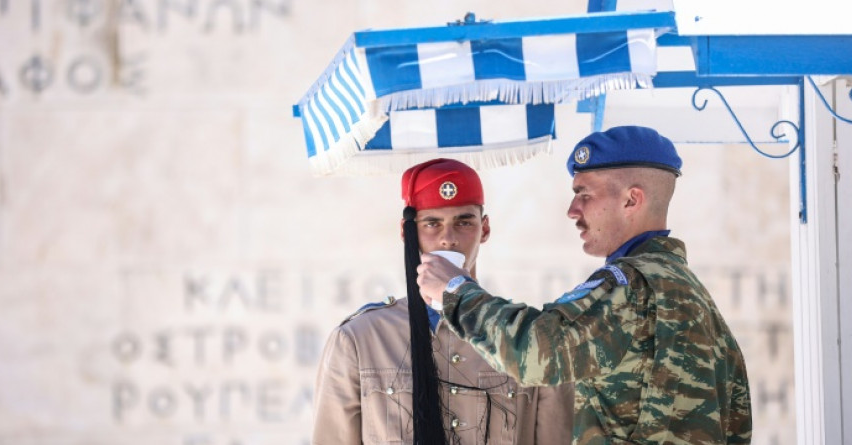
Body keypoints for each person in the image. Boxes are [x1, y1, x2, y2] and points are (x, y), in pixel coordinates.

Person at [417, 126, 753, 444]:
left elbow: (534, 353)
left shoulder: (630, 287)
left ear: (631, 200)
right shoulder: (695, 296)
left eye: (584, 195)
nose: (572, 210)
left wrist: (455, 290)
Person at [312, 158, 574, 445]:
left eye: (464, 222)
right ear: (407, 232)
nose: (448, 239)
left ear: (485, 229)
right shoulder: (360, 340)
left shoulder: (529, 338)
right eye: (432, 223)